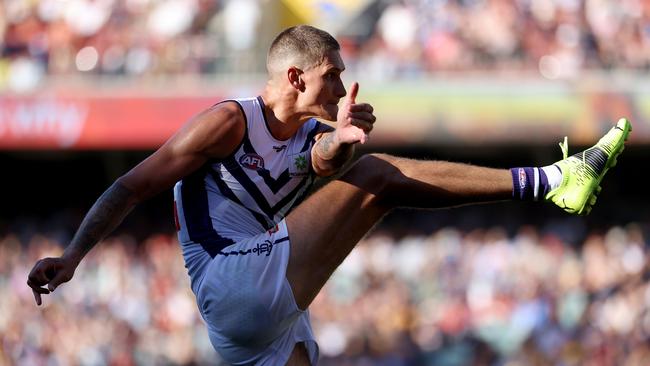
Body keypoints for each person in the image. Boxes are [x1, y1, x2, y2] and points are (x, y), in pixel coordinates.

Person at [27, 25, 631, 365]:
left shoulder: (312, 132)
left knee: (363, 172)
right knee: (379, 180)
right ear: (296, 77)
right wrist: (75, 256)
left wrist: (342, 140)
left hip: (258, 314)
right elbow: (132, 185)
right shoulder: (228, 123)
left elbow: (324, 159)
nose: (342, 83)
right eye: (332, 73)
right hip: (230, 281)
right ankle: (553, 181)